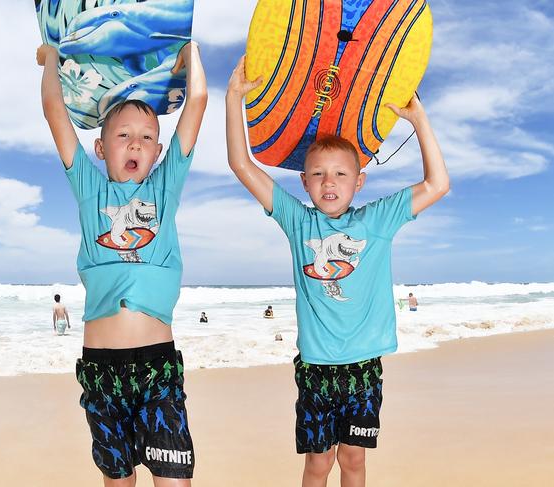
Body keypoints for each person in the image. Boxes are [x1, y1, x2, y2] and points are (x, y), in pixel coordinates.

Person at [226, 56, 449, 487]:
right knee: (317, 465)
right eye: (318, 174)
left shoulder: (378, 221)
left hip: (364, 368)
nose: (330, 182)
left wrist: (419, 119)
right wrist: (234, 98)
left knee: (353, 462)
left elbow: (437, 183)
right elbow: (242, 165)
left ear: (359, 181)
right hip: (315, 370)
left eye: (341, 174)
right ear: (304, 183)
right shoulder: (298, 221)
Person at [37, 40, 207, 485]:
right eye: (124, 135)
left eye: (148, 138)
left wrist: (191, 57)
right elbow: (56, 113)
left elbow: (198, 103)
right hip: (101, 370)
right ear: (100, 147)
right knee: (119, 481)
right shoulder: (91, 191)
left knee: (175, 480)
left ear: (157, 152)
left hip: (157, 366)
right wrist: (51, 59)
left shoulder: (163, 191)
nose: (136, 143)